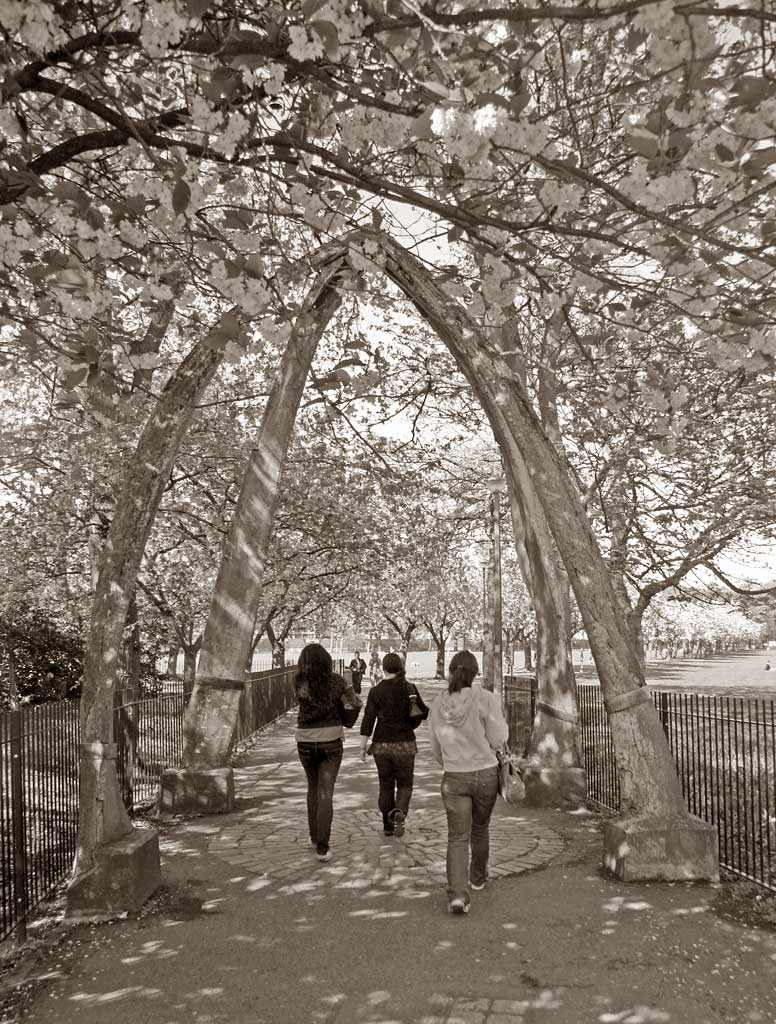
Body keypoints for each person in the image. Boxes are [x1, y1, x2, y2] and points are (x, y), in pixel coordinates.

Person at [428, 650, 509, 915]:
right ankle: (477, 877)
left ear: (451, 671)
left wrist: (449, 762)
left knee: (457, 836)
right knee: (480, 828)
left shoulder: (438, 703)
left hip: (454, 776)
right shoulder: (485, 698)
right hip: (485, 772)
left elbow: (435, 746)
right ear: (474, 674)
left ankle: (457, 895)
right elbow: (498, 739)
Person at [295, 643, 362, 862]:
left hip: (305, 739)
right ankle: (322, 847)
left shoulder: (298, 682)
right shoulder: (337, 681)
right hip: (331, 741)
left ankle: (314, 836)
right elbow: (353, 703)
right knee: (326, 792)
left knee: (312, 788)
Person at [359, 652, 429, 837]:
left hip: (381, 745)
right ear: (400, 668)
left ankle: (387, 827)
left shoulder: (376, 691)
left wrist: (362, 746)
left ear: (383, 668)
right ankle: (399, 813)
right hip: (405, 744)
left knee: (385, 785)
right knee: (405, 785)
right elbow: (423, 712)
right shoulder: (409, 688)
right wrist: (412, 722)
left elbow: (368, 719)